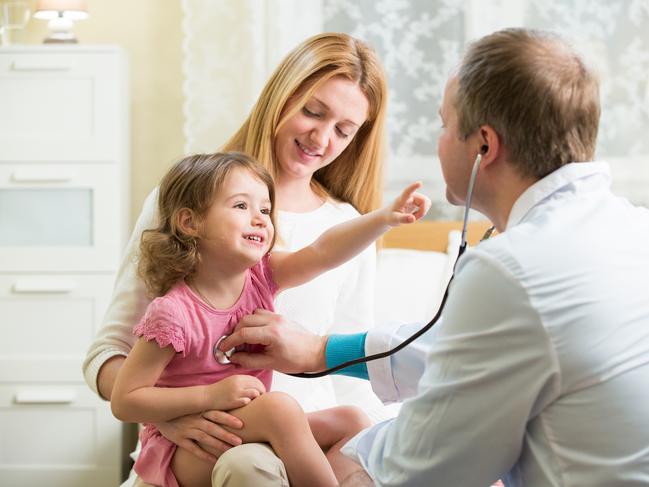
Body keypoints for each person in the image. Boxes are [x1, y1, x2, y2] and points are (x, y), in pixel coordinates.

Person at [220, 28, 649, 486]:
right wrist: (320, 351)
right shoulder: (632, 230)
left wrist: (354, 456)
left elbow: (427, 466)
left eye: (444, 124)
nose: (439, 140)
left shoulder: (511, 270)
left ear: (484, 145)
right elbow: (452, 349)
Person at [82, 32, 392, 485]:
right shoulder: (185, 202)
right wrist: (178, 413)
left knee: (358, 431)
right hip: (207, 443)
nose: (321, 138)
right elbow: (108, 354)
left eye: (344, 131)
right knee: (248, 464)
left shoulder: (343, 228)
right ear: (281, 97)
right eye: (312, 111)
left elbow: (352, 378)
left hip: (305, 441)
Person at [109, 151, 430, 487]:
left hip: (246, 427)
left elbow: (323, 252)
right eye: (240, 206)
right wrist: (209, 396)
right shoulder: (172, 313)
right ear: (190, 222)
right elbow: (125, 399)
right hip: (186, 449)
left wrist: (383, 219)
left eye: (265, 209)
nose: (261, 218)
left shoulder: (261, 277)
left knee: (350, 419)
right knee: (279, 410)